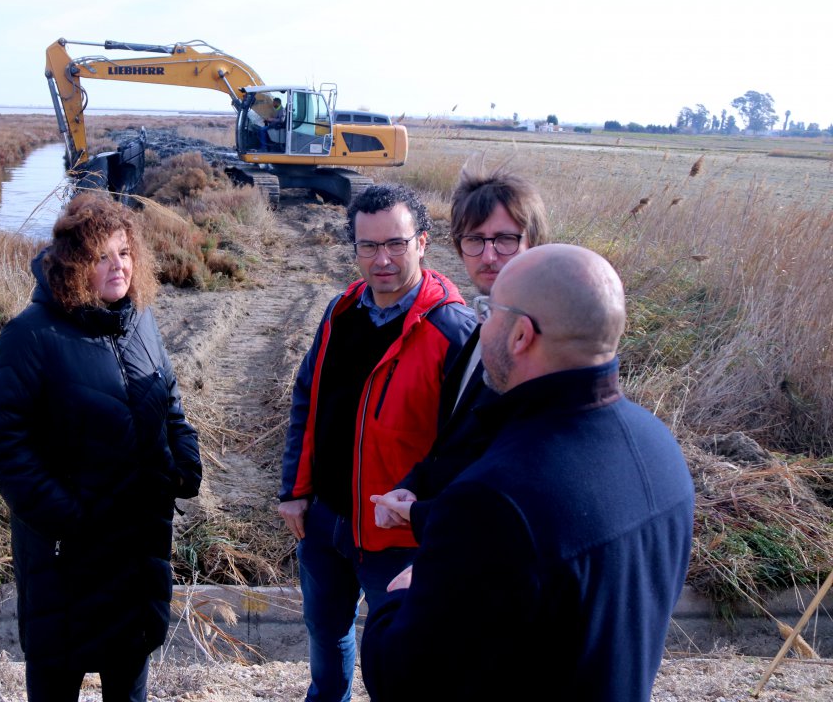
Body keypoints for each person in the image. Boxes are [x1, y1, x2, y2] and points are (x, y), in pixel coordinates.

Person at [362, 244, 696, 701]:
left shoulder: (493, 500)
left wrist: (400, 596)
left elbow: (401, 681)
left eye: (489, 311)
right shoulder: (660, 447)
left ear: (521, 334)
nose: (481, 327)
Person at [0, 192, 202, 702]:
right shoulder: (31, 335)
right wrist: (66, 515)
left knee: (129, 684)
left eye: (124, 252)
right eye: (102, 255)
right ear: (76, 264)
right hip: (66, 561)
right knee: (58, 682)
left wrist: (184, 463)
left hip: (136, 553)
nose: (118, 266)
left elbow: (168, 397)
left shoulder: (138, 320)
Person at [277, 183, 473, 702]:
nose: (382, 259)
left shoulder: (452, 330)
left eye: (396, 243)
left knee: (405, 660)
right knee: (327, 634)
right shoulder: (341, 311)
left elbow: (466, 448)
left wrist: (435, 528)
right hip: (326, 523)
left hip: (399, 536)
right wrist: (294, 492)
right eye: (368, 246)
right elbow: (307, 398)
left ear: (423, 243)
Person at [372, 165, 548, 526]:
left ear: (534, 242)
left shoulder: (544, 346)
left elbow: (521, 477)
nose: (488, 256)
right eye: (474, 240)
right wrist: (416, 486)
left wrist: (426, 516)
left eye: (506, 240)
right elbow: (460, 441)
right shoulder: (481, 326)